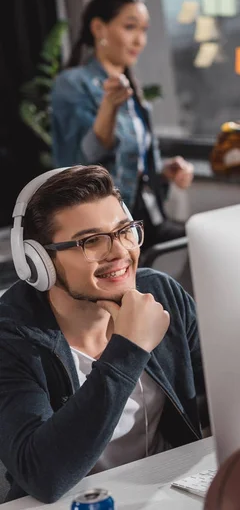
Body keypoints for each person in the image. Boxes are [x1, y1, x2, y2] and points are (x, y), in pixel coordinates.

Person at [0, 165, 206, 503]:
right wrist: (130, 348)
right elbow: (44, 476)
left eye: (124, 230)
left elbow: (222, 394)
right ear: (40, 262)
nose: (120, 252)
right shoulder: (12, 340)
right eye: (91, 241)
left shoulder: (161, 294)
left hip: (167, 493)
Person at [51, 0, 193, 249]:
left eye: (144, 30)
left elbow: (131, 166)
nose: (140, 40)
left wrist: (165, 172)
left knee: (203, 239)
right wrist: (109, 107)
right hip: (107, 228)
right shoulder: (72, 84)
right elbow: (81, 164)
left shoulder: (133, 90)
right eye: (130, 27)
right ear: (99, 29)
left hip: (146, 218)